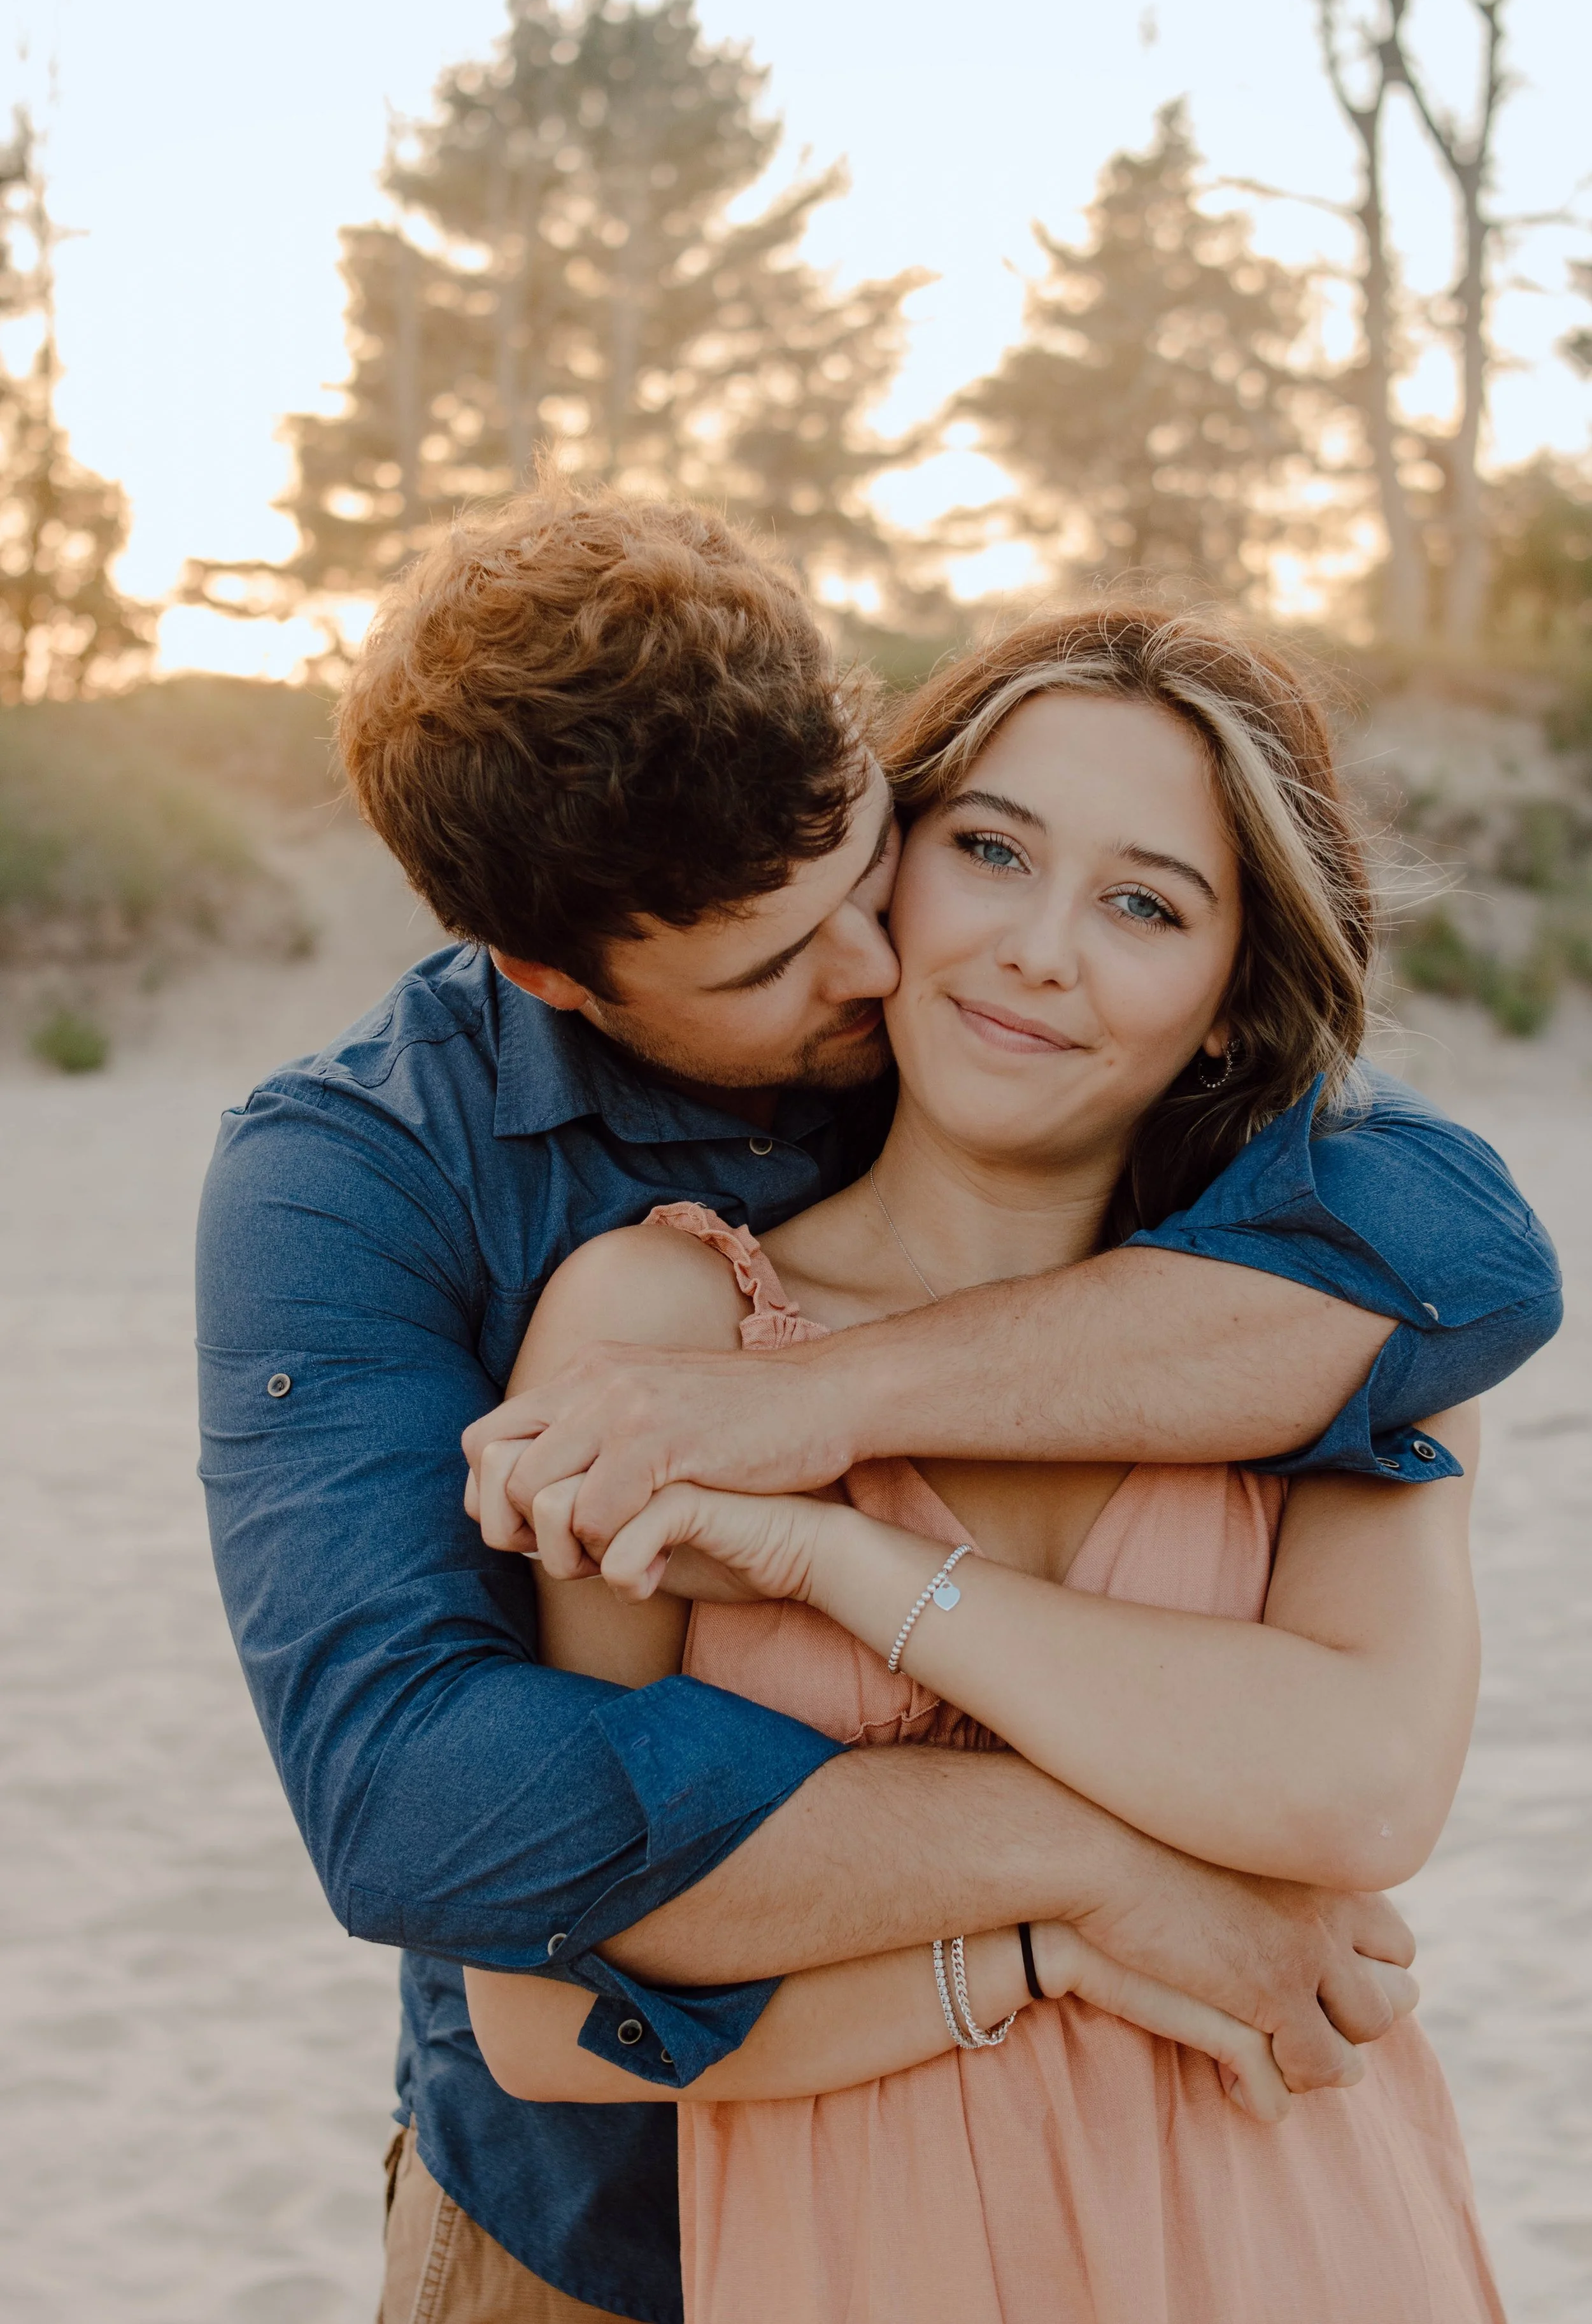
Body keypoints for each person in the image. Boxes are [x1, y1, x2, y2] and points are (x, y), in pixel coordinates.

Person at [194, 478, 1558, 2324]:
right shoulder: (370, 1179)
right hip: (602, 2224)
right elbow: (431, 1813)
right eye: (771, 956)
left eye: (873, 865)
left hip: (1261, 2211)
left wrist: (804, 1428)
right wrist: (1083, 1890)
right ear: (550, 975)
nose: (885, 969)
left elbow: (1469, 1259)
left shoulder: (1244, 1223)